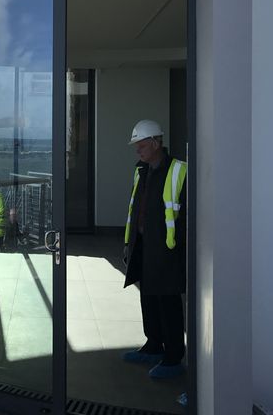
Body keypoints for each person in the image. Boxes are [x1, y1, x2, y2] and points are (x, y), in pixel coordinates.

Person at [121, 119, 187, 379]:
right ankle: (153, 346)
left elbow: (187, 215)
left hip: (167, 249)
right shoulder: (142, 171)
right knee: (148, 296)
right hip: (144, 246)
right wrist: (129, 243)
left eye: (141, 146)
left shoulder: (179, 170)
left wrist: (180, 246)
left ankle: (172, 358)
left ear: (156, 143)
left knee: (167, 301)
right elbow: (135, 209)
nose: (138, 151)